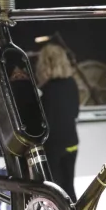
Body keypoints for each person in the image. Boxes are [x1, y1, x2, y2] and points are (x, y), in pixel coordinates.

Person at [36, 43, 80, 201]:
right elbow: (75, 112)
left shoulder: (45, 90)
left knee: (55, 191)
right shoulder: (72, 84)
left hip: (52, 146)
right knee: (69, 187)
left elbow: (45, 122)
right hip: (72, 142)